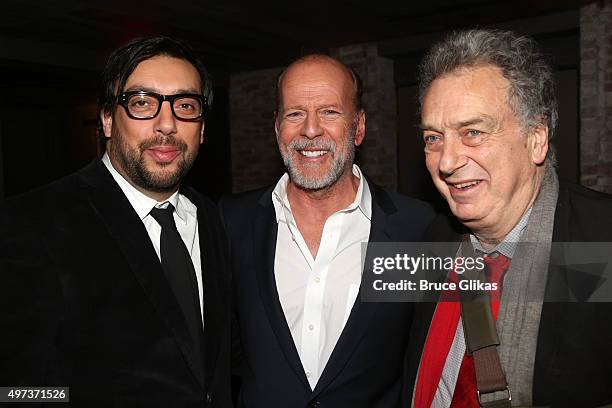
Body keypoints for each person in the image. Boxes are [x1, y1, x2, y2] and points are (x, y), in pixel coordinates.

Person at [0, 36, 231, 407]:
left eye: (186, 105)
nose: (167, 124)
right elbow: (15, 393)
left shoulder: (212, 218)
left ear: (202, 129)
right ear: (107, 119)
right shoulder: (32, 224)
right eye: (142, 103)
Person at [403, 29, 612, 407]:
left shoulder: (599, 243)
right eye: (434, 138)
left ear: (536, 140)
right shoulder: (432, 238)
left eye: (473, 132)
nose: (447, 162)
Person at [220, 54, 434, 407]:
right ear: (277, 128)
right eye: (294, 113)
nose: (311, 130)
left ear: (359, 126)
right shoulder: (233, 221)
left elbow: (432, 350)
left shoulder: (414, 229)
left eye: (330, 112)